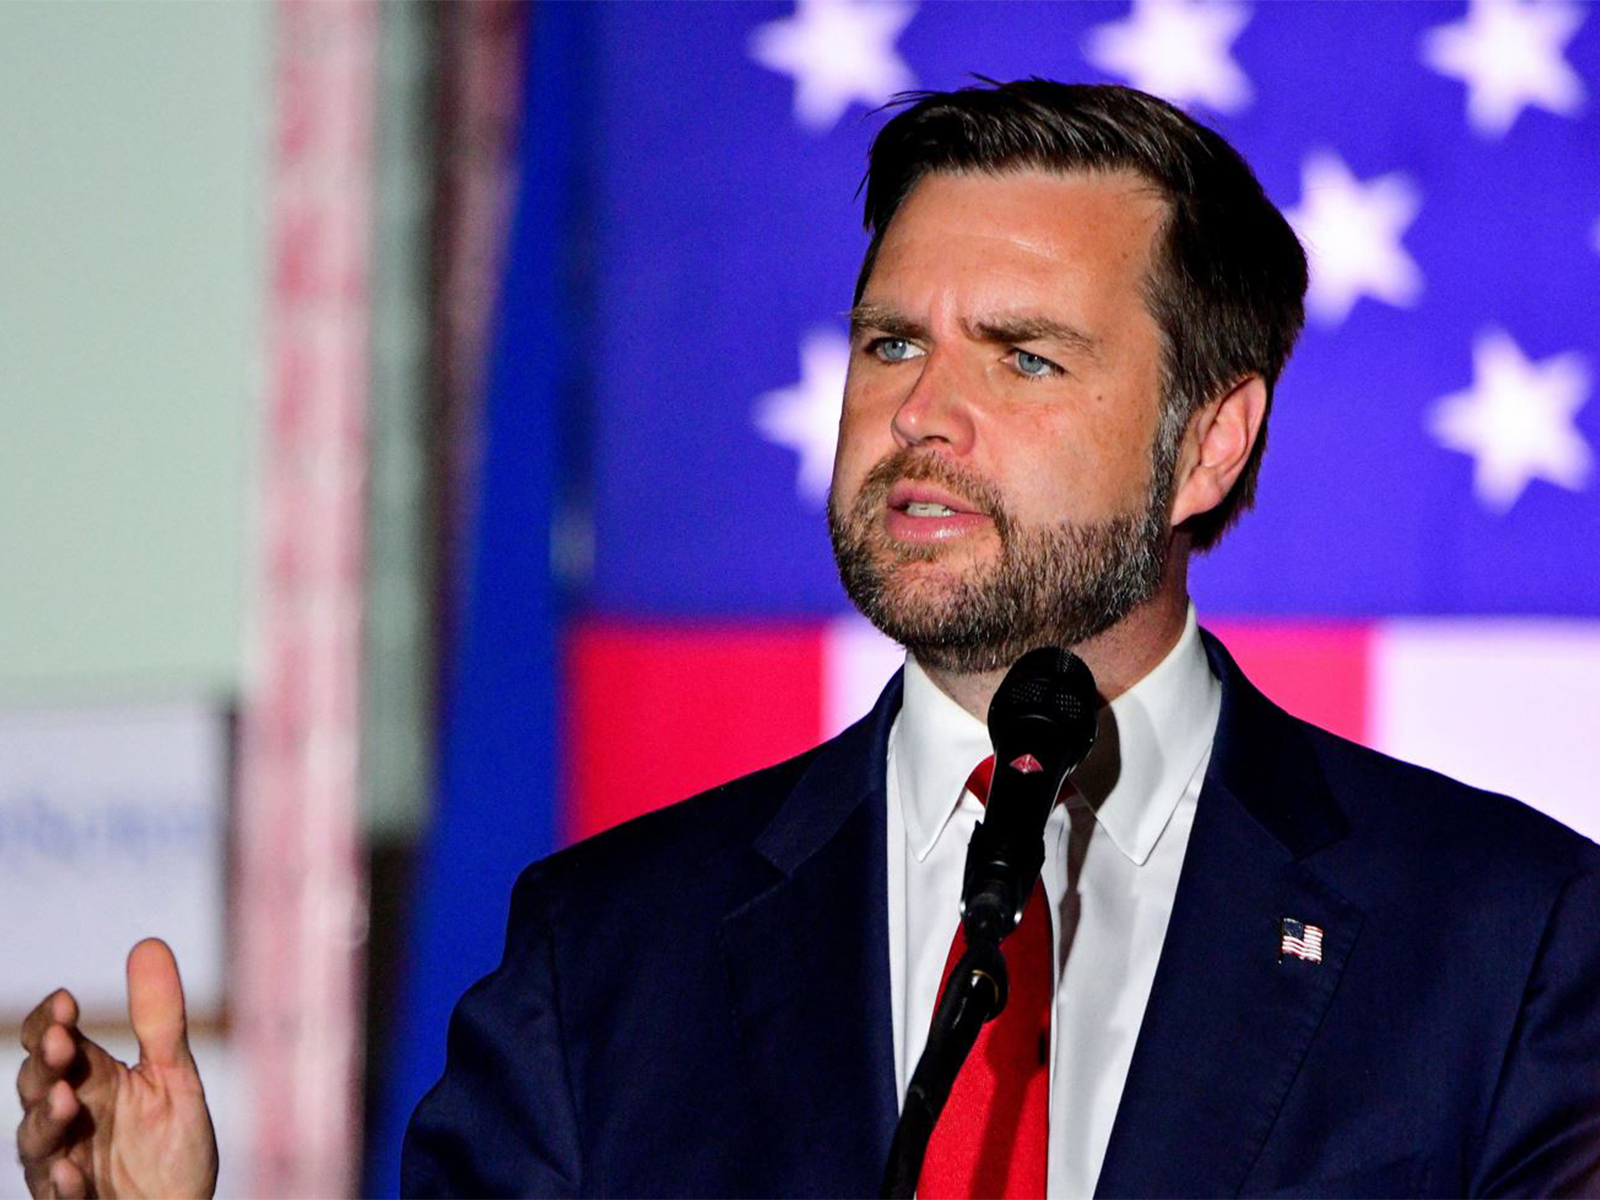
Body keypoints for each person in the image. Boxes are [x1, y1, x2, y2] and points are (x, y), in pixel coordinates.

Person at [17, 80, 1600, 1200]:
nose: (919, 412)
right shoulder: (606, 957)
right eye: (892, 341)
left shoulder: (1500, 940)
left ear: (1209, 445)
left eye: (1026, 359)